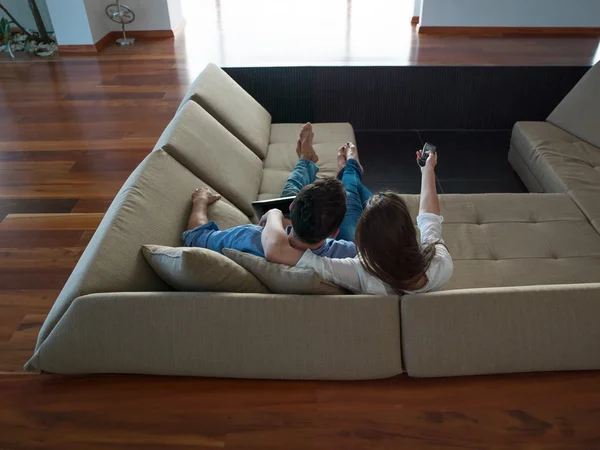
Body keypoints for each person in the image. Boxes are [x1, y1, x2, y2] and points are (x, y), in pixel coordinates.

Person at [260, 144, 454, 295]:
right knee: (361, 198)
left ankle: (350, 169)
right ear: (407, 232)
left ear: (363, 245)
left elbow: (276, 249)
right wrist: (427, 168)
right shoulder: (439, 265)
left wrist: (275, 213)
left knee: (351, 199)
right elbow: (429, 220)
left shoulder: (360, 272)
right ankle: (350, 170)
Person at [182, 123, 357, 259]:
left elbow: (195, 237)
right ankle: (313, 161)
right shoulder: (345, 254)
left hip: (285, 226)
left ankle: (306, 159)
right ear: (335, 233)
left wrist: (200, 201)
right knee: (348, 194)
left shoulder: (250, 238)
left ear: (291, 207)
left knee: (292, 189)